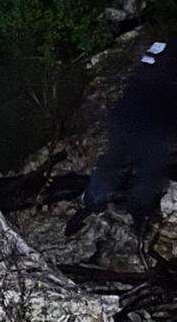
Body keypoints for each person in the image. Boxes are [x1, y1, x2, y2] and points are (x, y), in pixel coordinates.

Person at [68, 38, 177, 236]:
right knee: (151, 172)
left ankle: (92, 202)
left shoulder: (161, 44)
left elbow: (142, 70)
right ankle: (138, 215)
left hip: (125, 115)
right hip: (153, 125)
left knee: (114, 160)